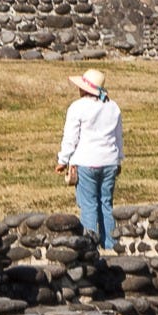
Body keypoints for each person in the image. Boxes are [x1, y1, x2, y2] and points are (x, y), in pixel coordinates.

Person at [56, 69, 122, 250]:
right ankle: (110, 244)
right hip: (109, 161)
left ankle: (90, 247)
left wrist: (63, 160)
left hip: (86, 161)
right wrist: (119, 159)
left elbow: (71, 137)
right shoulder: (112, 106)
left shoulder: (77, 107)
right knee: (106, 204)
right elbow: (118, 137)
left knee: (89, 205)